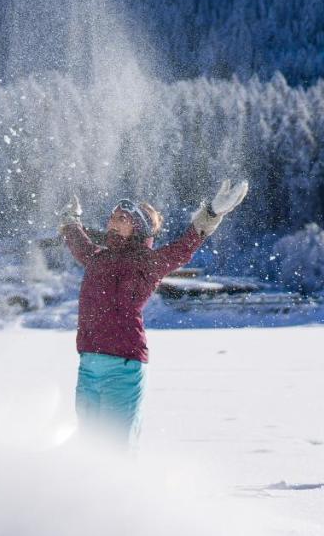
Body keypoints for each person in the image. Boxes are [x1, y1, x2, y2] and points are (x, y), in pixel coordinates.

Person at [59, 180, 248, 450]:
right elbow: (78, 242)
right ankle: (84, 491)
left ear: (138, 226)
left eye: (122, 218)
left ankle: (122, 492)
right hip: (88, 365)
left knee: (116, 447)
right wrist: (69, 220)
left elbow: (184, 247)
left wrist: (212, 213)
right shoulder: (98, 257)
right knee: (89, 446)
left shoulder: (148, 263)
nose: (112, 222)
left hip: (122, 368)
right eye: (112, 216)